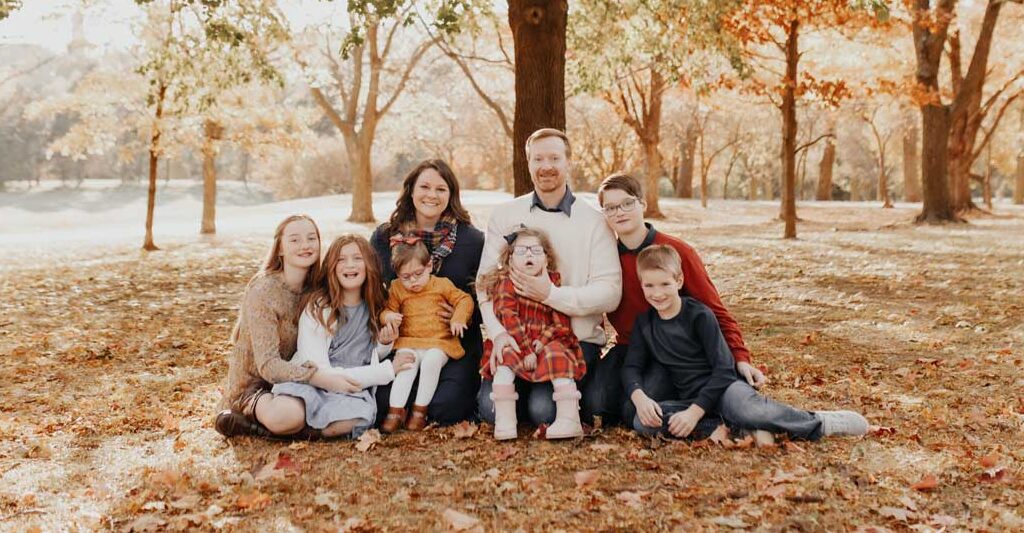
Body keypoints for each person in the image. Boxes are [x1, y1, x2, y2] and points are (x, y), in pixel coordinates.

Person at [624, 245, 868, 441]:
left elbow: (723, 369)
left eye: (665, 284)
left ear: (678, 281)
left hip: (724, 389)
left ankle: (818, 422)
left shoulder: (699, 316)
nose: (657, 293)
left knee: (750, 411)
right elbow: (631, 367)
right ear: (641, 284)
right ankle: (731, 429)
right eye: (649, 285)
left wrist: (694, 413)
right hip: (690, 398)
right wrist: (640, 398)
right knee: (641, 421)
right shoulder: (645, 323)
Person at [476, 128, 621, 428]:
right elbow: (484, 284)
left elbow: (610, 293)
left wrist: (551, 295)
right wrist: (498, 333)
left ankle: (553, 402)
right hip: (514, 338)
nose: (546, 166)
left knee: (543, 410)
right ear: (528, 164)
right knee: (489, 411)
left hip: (570, 339)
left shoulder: (595, 221)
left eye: (555, 158)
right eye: (538, 159)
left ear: (569, 163)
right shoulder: (505, 215)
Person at [596, 173, 766, 426]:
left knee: (632, 413)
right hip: (631, 346)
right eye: (610, 207)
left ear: (642, 204)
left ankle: (707, 408)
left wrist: (740, 358)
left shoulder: (676, 252)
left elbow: (716, 311)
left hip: (674, 349)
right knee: (596, 403)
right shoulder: (606, 257)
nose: (619, 212)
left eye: (627, 203)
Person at [214, 215, 366, 439]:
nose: (305, 245)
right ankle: (253, 423)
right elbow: (268, 366)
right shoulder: (264, 290)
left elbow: (359, 294)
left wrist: (387, 316)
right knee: (287, 416)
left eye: (311, 238)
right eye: (295, 240)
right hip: (257, 387)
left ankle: (291, 431)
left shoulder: (318, 287)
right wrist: (320, 379)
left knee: (356, 418)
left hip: (299, 384)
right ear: (280, 249)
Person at [370, 160, 485, 427]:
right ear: (411, 190)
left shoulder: (472, 241)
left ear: (451, 195)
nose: (431, 195)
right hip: (405, 340)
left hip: (451, 342)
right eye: (424, 186)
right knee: (383, 404)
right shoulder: (385, 237)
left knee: (445, 408)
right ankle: (403, 408)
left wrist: (462, 316)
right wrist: (385, 320)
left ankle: (426, 406)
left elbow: (486, 296)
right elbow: (371, 292)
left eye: (440, 189)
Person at [270, 234, 416, 438]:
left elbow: (365, 354)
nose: (349, 265)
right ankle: (264, 413)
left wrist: (384, 343)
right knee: (286, 414)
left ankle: (308, 432)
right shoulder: (319, 308)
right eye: (341, 259)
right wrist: (387, 370)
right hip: (315, 380)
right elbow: (317, 369)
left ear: (369, 265)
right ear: (331, 267)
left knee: (357, 418)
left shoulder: (374, 304)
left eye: (357, 258)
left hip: (351, 387)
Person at [477, 227, 587, 440]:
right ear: (510, 260)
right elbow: (508, 317)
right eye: (521, 251)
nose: (529, 255)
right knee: (504, 358)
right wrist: (527, 349)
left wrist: (543, 342)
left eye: (536, 251)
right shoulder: (506, 282)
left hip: (545, 340)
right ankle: (505, 421)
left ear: (547, 259)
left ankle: (570, 419)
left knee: (558, 355)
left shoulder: (553, 281)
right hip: (516, 339)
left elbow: (560, 322)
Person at [378, 238, 474, 432]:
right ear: (397, 274)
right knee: (406, 364)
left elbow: (464, 299)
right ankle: (395, 411)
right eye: (406, 277)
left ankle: (419, 411)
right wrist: (389, 316)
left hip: (439, 342)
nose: (413, 281)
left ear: (429, 265)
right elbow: (385, 310)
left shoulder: (442, 284)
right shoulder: (396, 288)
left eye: (418, 274)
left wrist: (458, 318)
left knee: (431, 361)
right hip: (409, 340)